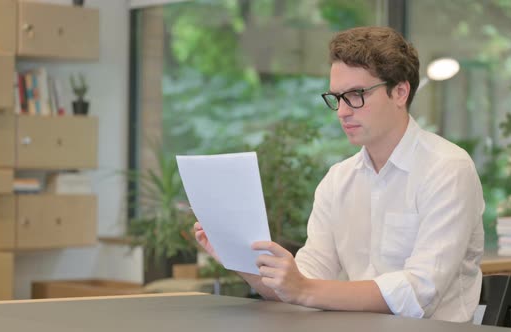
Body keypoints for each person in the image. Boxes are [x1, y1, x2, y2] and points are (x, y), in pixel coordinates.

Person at [194, 26, 484, 322]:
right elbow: (304, 281)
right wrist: (238, 260)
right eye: (337, 98)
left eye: (356, 95)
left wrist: (303, 288)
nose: (342, 112)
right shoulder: (338, 179)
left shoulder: (447, 168)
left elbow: (419, 292)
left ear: (399, 92)